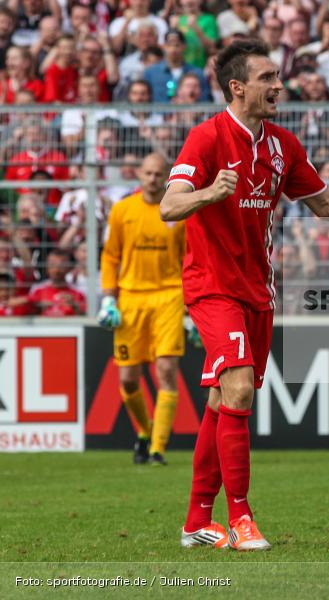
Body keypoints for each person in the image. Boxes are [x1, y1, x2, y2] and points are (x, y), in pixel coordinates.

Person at [160, 40, 329, 551]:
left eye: (278, 76)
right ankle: (241, 519)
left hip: (258, 290)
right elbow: (169, 205)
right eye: (268, 77)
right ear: (238, 87)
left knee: (220, 398)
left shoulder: (282, 145)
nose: (279, 85)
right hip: (212, 286)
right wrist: (210, 193)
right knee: (241, 388)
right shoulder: (206, 139)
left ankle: (195, 522)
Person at [97, 153, 186, 467]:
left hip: (169, 296)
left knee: (165, 371)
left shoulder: (179, 212)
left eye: (158, 173)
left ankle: (158, 449)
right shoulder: (123, 210)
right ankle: (146, 432)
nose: (152, 179)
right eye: (147, 173)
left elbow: (189, 260)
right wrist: (108, 298)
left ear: (167, 176)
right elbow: (110, 257)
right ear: (139, 174)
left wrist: (192, 305)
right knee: (129, 379)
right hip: (131, 297)